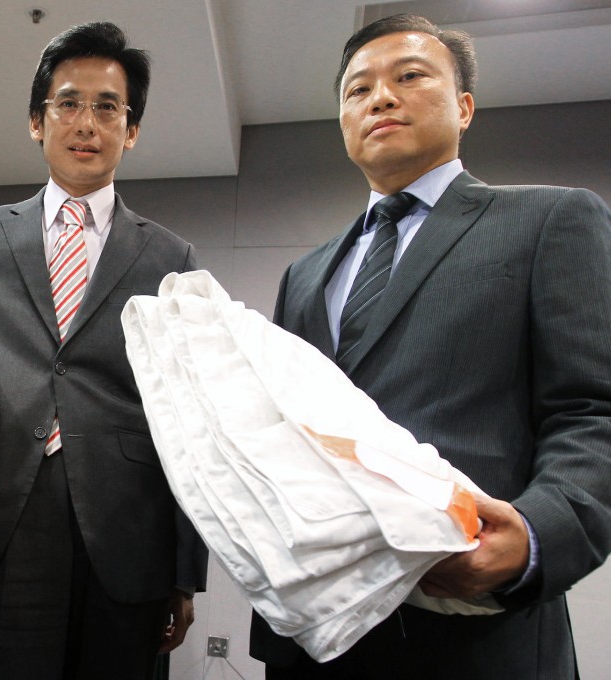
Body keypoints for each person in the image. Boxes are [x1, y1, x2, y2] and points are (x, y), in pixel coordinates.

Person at [249, 13, 611, 680]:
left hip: (476, 633)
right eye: (357, 90)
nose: (381, 97)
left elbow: (594, 412)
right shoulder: (304, 277)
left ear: (464, 106)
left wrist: (537, 534)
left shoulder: (551, 221)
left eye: (410, 76)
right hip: (315, 635)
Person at [0, 21, 207, 680]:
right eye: (68, 102)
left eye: (108, 107)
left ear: (130, 131)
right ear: (36, 123)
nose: (86, 122)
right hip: (2, 517)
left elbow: (193, 421)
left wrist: (186, 576)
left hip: (130, 536)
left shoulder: (171, 259)